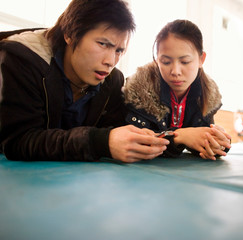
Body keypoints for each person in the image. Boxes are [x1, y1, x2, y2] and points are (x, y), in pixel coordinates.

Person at [0, 0, 170, 163]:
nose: (111, 61)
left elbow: (116, 132)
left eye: (119, 50)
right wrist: (99, 142)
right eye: (103, 44)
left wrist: (174, 139)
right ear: (70, 34)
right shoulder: (22, 59)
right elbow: (18, 140)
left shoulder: (112, 80)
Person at [123, 19, 231, 160]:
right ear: (157, 60)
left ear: (201, 60)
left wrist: (217, 142)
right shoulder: (140, 91)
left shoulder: (207, 95)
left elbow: (199, 141)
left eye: (185, 62)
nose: (175, 71)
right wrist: (181, 136)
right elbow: (137, 142)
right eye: (166, 62)